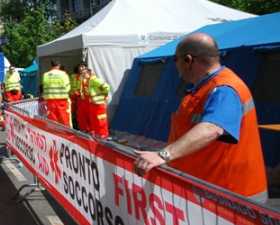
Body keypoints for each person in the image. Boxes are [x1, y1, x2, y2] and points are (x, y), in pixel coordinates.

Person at [133, 33, 268, 202]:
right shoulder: (205, 89)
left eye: (176, 60)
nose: (176, 67)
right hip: (209, 190)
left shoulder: (223, 89)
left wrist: (163, 155)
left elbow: (212, 128)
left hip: (230, 196)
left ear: (188, 60)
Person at [80, 68, 110, 137]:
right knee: (94, 120)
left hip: (99, 105)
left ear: (89, 73)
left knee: (101, 120)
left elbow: (107, 87)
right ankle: (97, 134)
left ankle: (103, 135)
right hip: (92, 104)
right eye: (82, 73)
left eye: (84, 73)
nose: (83, 75)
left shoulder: (95, 80)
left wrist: (103, 96)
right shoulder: (88, 81)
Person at [41, 59, 71, 127]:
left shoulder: (45, 75)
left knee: (53, 119)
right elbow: (68, 88)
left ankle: (55, 135)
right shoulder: (64, 74)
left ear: (51, 65)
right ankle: (67, 135)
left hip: (50, 100)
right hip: (62, 100)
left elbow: (44, 86)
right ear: (59, 65)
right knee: (64, 118)